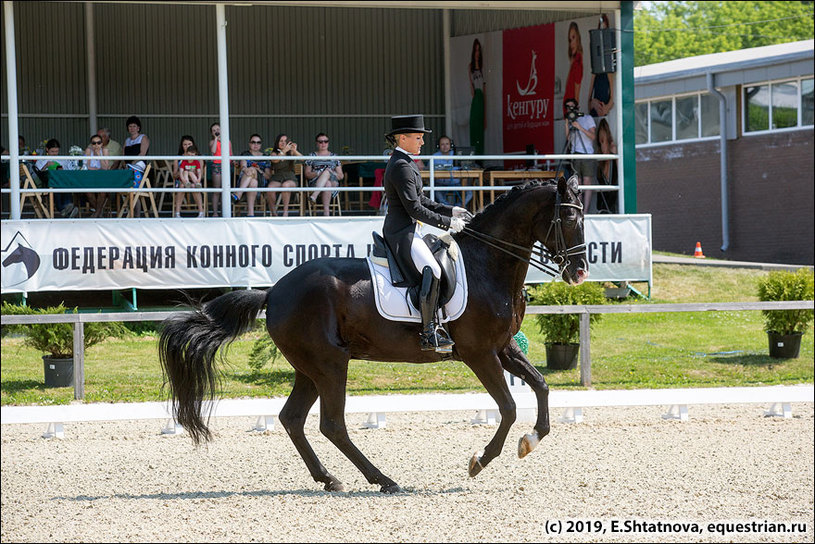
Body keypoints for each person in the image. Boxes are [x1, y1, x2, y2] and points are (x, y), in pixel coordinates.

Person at [382, 115, 471, 353]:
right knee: (433, 269)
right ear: (403, 138)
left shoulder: (406, 162)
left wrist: (450, 210)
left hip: (409, 229)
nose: (422, 142)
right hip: (401, 232)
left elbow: (421, 199)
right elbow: (414, 209)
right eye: (418, 137)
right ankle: (428, 331)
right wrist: (448, 223)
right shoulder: (401, 166)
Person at [563, 98, 596, 211]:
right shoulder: (570, 120)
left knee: (587, 182)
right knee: (578, 182)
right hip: (575, 154)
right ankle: (579, 208)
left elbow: (593, 137)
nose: (570, 109)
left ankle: (586, 210)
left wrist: (579, 127)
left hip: (587, 153)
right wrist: (567, 124)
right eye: (568, 107)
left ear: (578, 108)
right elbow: (568, 139)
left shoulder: (587, 118)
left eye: (572, 107)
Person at [34, 138, 78, 218]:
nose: (55, 154)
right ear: (47, 149)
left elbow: (70, 171)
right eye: (52, 152)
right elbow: (39, 174)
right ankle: (65, 208)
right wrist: (46, 166)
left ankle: (66, 209)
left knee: (63, 184)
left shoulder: (63, 159)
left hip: (63, 181)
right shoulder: (42, 160)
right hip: (48, 183)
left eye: (56, 151)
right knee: (56, 185)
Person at [304, 132, 344, 217]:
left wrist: (330, 172)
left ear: (328, 143)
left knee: (327, 173)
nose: (323, 143)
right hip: (316, 181)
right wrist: (319, 173)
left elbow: (341, 176)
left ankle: (314, 196)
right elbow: (307, 174)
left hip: (333, 181)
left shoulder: (334, 156)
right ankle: (326, 213)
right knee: (327, 183)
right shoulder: (312, 156)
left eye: (325, 141)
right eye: (320, 141)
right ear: (316, 143)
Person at [232, 134, 269, 217]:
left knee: (252, 169)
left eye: (258, 142)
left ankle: (238, 194)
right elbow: (243, 167)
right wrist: (248, 170)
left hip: (261, 181)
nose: (256, 144)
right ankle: (250, 213)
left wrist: (258, 170)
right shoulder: (245, 154)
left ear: (261, 144)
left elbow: (268, 176)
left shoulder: (265, 157)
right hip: (246, 179)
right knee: (253, 182)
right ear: (249, 144)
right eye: (253, 142)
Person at [432, 135, 471, 208]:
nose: (445, 146)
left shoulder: (457, 154)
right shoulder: (434, 156)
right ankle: (449, 209)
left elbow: (465, 166)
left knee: (469, 193)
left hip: (456, 183)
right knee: (437, 192)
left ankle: (458, 207)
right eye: (442, 144)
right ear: (438, 146)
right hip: (441, 184)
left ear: (451, 145)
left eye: (447, 144)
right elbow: (430, 169)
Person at [588, 14, 615, 118]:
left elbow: (611, 98)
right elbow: (589, 95)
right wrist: (591, 104)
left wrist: (606, 108)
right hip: (596, 107)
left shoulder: (608, 68)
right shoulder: (595, 67)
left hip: (603, 108)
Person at [267, 133, 300, 216]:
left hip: (290, 179)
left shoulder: (291, 153)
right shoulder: (274, 153)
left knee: (286, 185)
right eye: (281, 141)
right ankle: (274, 213)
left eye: (285, 141)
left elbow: (303, 159)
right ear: (277, 143)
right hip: (277, 178)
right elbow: (275, 160)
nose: (283, 143)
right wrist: (283, 151)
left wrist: (295, 150)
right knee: (270, 188)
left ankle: (285, 212)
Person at [174, 141, 205, 218]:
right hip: (182, 180)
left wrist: (197, 178)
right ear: (182, 146)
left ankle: (201, 212)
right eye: (185, 144)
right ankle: (177, 213)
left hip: (195, 179)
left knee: (194, 186)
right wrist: (185, 174)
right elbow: (175, 175)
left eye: (189, 144)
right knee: (181, 186)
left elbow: (200, 172)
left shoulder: (198, 159)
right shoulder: (180, 158)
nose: (187, 146)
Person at [83, 134, 111, 217]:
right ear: (91, 144)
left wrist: (99, 155)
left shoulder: (105, 151)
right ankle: (99, 211)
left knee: (102, 192)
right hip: (91, 177)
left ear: (102, 144)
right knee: (88, 192)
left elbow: (105, 167)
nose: (96, 145)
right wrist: (97, 169)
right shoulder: (88, 151)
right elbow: (87, 166)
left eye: (98, 143)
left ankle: (96, 213)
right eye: (94, 143)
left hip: (102, 177)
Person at [208, 122, 232, 216]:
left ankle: (224, 212)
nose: (216, 131)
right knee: (217, 189)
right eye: (214, 131)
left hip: (226, 166)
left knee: (225, 189)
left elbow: (231, 153)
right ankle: (215, 212)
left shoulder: (228, 141)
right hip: (217, 166)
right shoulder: (212, 142)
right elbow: (213, 151)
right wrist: (215, 139)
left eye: (218, 129)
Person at [594, 118, 618, 214]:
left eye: (603, 141)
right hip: (602, 201)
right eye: (600, 142)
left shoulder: (613, 149)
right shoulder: (600, 156)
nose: (602, 145)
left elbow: (618, 170)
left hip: (612, 197)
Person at [468, 38, 485, 157]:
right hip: (476, 97)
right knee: (474, 126)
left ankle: (480, 154)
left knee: (480, 129)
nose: (477, 53)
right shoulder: (471, 66)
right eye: (476, 50)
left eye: (479, 50)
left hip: (482, 96)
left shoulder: (483, 67)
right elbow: (471, 85)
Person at [563, 21, 584, 117]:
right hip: (568, 107)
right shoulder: (574, 62)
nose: (571, 43)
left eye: (573, 37)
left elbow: (577, 88)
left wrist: (574, 110)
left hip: (571, 109)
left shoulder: (577, 62)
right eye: (569, 40)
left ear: (578, 38)